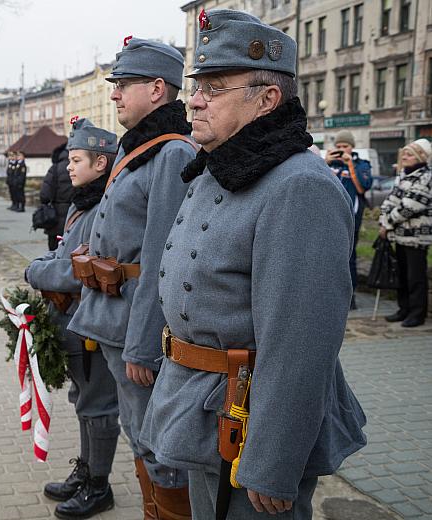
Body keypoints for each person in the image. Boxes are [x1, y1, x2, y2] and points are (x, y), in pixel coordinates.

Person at [142, 10, 367, 520]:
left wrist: (273, 460)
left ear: (267, 99)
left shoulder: (299, 186)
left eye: (214, 87)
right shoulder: (216, 167)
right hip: (201, 407)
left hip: (252, 426)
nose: (194, 99)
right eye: (198, 85)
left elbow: (301, 345)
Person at [67, 36, 197, 519]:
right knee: (137, 432)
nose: (115, 94)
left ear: (158, 89)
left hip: (135, 329)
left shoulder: (170, 154)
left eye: (124, 85)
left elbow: (164, 256)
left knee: (156, 441)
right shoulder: (139, 147)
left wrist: (145, 344)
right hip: (113, 318)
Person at [26, 118, 121, 519]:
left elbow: (78, 270)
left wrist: (35, 272)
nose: (68, 166)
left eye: (77, 159)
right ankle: (86, 472)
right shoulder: (83, 204)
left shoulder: (105, 208)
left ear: (101, 163)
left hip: (92, 325)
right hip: (74, 321)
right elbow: (64, 253)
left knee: (99, 404)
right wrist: (42, 263)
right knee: (83, 399)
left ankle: (99, 486)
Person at [379, 139, 432, 327]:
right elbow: (391, 199)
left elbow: (410, 206)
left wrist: (387, 223)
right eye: (405, 154)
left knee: (415, 276)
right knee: (402, 274)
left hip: (417, 236)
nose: (405, 157)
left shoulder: (426, 176)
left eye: (409, 154)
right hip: (400, 235)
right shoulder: (403, 175)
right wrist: (383, 217)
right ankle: (404, 309)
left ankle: (417, 314)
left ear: (421, 156)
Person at [325, 130, 372, 309]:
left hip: (351, 216)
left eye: (345, 146)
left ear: (352, 147)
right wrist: (325, 162)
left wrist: (350, 164)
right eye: (338, 147)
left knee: (349, 256)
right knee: (328, 255)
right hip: (329, 215)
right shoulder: (329, 163)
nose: (341, 150)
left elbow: (362, 188)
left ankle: (350, 298)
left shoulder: (361, 164)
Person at [40, 142, 74, 251]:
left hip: (56, 219)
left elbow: (44, 195)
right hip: (74, 216)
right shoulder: (81, 168)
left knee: (54, 251)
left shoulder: (54, 169)